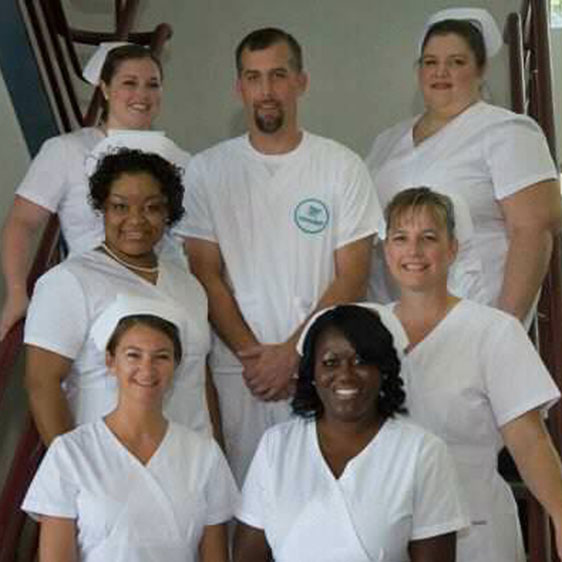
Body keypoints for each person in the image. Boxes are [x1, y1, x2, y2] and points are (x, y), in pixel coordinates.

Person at [174, 27, 380, 484]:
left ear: (301, 82)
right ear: (239, 87)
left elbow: (353, 276)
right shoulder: (208, 171)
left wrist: (294, 353)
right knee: (248, 501)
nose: (266, 91)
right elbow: (204, 272)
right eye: (253, 77)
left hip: (318, 365)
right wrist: (254, 355)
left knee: (319, 497)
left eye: (278, 76)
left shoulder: (340, 166)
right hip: (239, 371)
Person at [382, 186, 562, 561]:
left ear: (452, 249)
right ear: (386, 251)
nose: (413, 251)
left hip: (476, 532)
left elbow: (529, 443)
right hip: (390, 527)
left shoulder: (494, 331)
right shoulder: (367, 329)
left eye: (428, 238)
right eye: (401, 238)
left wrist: (561, 516)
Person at [366, 8, 561, 324]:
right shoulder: (387, 141)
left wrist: (505, 327)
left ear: (480, 70)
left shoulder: (507, 131)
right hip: (394, 328)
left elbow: (534, 230)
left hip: (474, 322)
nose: (440, 72)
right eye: (431, 62)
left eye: (456, 62)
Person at [234, 304, 468, 561]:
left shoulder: (422, 452)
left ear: (383, 370)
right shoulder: (276, 446)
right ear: (312, 373)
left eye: (361, 361)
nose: (345, 375)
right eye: (330, 362)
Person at [0, 43, 189, 340]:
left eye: (153, 85)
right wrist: (15, 292)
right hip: (92, 304)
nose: (142, 94)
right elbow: (21, 223)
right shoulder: (67, 150)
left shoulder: (180, 160)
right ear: (104, 88)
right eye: (129, 83)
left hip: (168, 305)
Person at [24, 148, 213, 445]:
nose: (135, 220)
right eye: (120, 207)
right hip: (109, 468)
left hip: (189, 466)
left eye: (151, 207)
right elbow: (41, 383)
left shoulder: (189, 286)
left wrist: (217, 459)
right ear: (102, 209)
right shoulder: (69, 281)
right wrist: (76, 469)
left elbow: (199, 381)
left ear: (168, 213)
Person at [22, 305, 238, 562]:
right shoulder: (70, 452)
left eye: (161, 356)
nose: (147, 369)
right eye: (133, 355)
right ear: (111, 361)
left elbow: (215, 556)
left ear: (176, 366)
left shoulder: (203, 453)